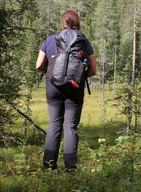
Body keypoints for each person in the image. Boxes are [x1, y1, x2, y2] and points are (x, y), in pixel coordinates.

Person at [36, 10, 96, 170]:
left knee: (54, 125)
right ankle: (70, 167)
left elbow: (38, 65)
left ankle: (49, 166)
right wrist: (78, 77)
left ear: (62, 23)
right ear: (77, 23)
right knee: (70, 126)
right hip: (75, 89)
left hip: (53, 87)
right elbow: (93, 70)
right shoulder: (84, 42)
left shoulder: (50, 40)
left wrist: (50, 74)